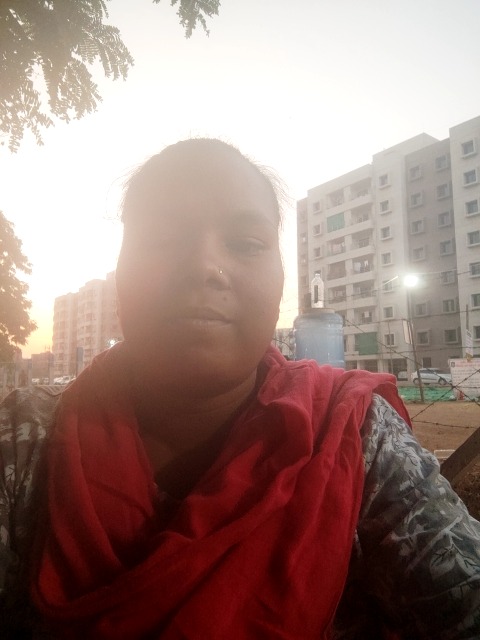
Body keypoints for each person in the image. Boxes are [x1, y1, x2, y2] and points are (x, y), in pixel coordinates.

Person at [1, 138, 479, 639]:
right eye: (162, 238)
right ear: (120, 269)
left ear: (280, 278)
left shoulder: (353, 434)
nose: (204, 267)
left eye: (247, 244)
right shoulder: (26, 438)